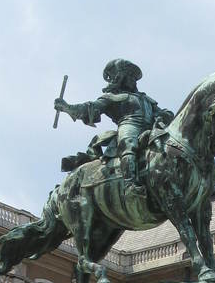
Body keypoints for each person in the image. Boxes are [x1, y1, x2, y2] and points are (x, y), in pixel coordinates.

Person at [54, 58, 174, 196]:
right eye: (129, 75)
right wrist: (67, 107)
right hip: (129, 125)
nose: (133, 79)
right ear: (119, 77)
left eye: (134, 76)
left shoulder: (146, 99)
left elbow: (163, 112)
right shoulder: (111, 97)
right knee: (128, 144)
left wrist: (164, 115)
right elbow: (90, 108)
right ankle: (130, 184)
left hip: (152, 127)